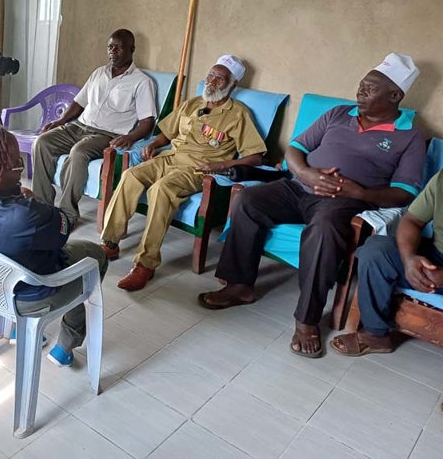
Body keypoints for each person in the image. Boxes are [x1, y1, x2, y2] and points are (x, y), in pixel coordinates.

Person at [200, 53, 426, 359]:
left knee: (324, 230)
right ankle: (239, 285)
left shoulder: (409, 137)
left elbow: (404, 192)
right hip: (298, 187)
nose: (360, 92)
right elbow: (295, 148)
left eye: (370, 89)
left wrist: (359, 192)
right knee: (249, 200)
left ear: (395, 96)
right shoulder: (337, 114)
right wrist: (307, 173)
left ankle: (306, 321)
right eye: (361, 85)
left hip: (342, 202)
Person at [0, 119, 108, 367]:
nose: (21, 171)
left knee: (15, 253)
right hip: (28, 298)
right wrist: (36, 201)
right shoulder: (24, 215)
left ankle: (14, 328)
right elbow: (63, 229)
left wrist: (12, 197)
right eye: (16, 165)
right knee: (96, 256)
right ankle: (66, 346)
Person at [101, 55, 267, 291]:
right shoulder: (191, 104)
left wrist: (221, 165)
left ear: (233, 85)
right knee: (131, 175)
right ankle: (110, 242)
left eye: (220, 79)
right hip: (169, 157)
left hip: (198, 168)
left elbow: (256, 156)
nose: (212, 81)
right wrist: (154, 144)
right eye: (211, 75)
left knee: (162, 188)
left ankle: (145, 264)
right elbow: (167, 134)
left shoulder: (238, 114)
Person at [31, 29, 157, 227]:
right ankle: (42, 205)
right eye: (110, 47)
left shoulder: (142, 82)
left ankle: (67, 215)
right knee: (42, 142)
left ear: (132, 49)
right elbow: (79, 103)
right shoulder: (99, 73)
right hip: (79, 126)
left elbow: (147, 122)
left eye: (118, 47)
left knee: (79, 152)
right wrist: (60, 121)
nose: (112, 51)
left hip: (107, 134)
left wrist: (130, 137)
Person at [330, 168, 443, 356]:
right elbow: (412, 220)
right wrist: (409, 259)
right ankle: (375, 335)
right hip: (436, 254)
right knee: (377, 250)